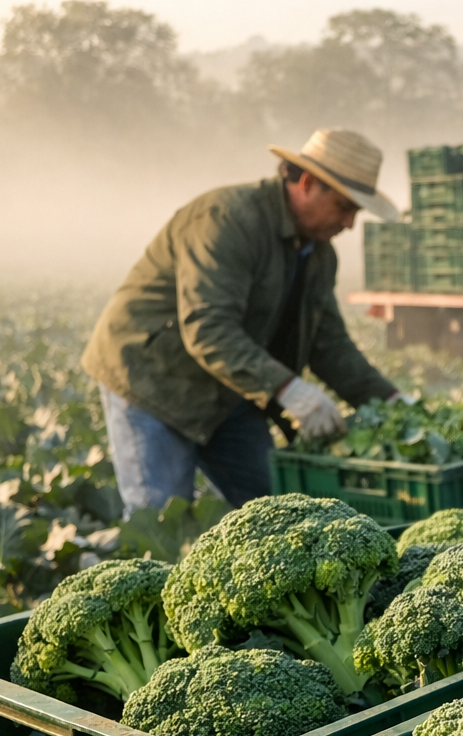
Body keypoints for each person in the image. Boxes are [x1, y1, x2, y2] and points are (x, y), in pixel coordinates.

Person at [83, 128, 410, 517]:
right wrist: (289, 389)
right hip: (155, 380)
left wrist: (391, 402)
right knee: (161, 521)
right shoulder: (227, 220)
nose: (350, 224)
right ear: (306, 183)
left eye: (356, 211)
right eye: (344, 207)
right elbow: (209, 328)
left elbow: (329, 344)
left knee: (277, 513)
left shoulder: (319, 255)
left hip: (231, 389)